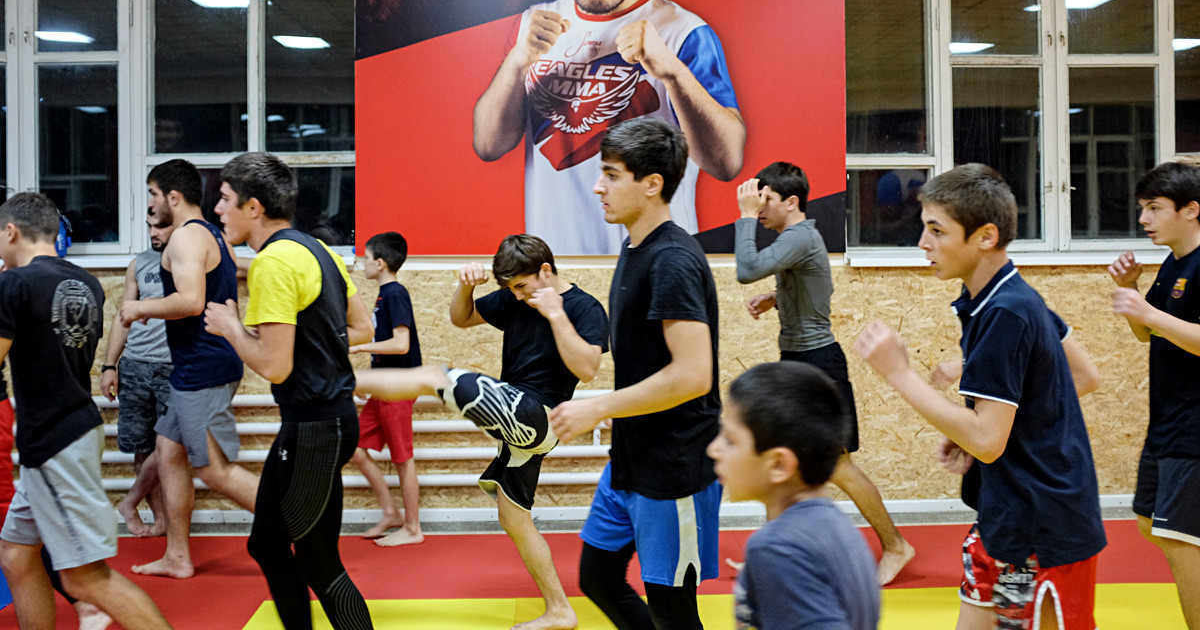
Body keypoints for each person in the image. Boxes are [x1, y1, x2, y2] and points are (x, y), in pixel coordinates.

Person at [853, 164, 1106, 630]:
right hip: (1005, 510)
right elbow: (1077, 375)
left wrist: (900, 373)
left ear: (986, 236)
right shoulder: (1002, 299)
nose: (922, 244)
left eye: (936, 231)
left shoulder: (1008, 311)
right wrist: (979, 424)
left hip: (1043, 524)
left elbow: (990, 439)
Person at [472, 0, 745, 255]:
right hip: (555, 266)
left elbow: (727, 161)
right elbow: (488, 144)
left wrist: (671, 71)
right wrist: (517, 60)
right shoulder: (534, 24)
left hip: (657, 264)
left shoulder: (683, 31)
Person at [355, 233, 609, 630]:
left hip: (536, 414)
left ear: (546, 270)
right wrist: (465, 287)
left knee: (434, 375)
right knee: (514, 519)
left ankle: (332, 383)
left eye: (523, 287)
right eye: (512, 289)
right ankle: (560, 610)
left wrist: (556, 314)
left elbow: (588, 368)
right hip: (517, 427)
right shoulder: (514, 297)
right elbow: (462, 318)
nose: (519, 296)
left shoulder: (583, 307)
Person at [550, 117, 722, 630]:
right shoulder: (635, 247)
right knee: (598, 578)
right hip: (630, 459)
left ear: (652, 184)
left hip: (674, 464)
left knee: (674, 611)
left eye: (611, 174)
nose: (598, 186)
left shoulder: (672, 259)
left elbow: (694, 376)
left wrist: (598, 405)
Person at [203, 151, 375, 630]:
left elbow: (275, 367)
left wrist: (232, 328)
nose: (218, 209)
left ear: (253, 207)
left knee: (319, 562)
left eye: (224, 199)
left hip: (316, 425)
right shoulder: (314, 249)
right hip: (320, 420)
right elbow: (362, 327)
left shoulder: (274, 263)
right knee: (267, 543)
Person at [733, 161, 915, 585]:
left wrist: (742, 219)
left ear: (791, 202)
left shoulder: (799, 236)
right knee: (783, 462)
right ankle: (774, 554)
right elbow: (815, 286)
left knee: (837, 466)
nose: (759, 209)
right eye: (756, 203)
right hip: (796, 361)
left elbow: (745, 269)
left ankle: (896, 546)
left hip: (817, 365)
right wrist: (776, 298)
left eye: (767, 201)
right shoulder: (796, 238)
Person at [0, 192, 175, 630]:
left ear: (11, 232)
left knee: (86, 579)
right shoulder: (88, 283)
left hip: (54, 438)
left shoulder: (14, 284)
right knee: (17, 555)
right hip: (68, 431)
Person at [118, 159, 258, 580]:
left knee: (214, 469)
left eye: (152, 195)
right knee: (167, 451)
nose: (150, 204)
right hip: (195, 366)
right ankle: (178, 556)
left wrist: (138, 307)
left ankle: (302, 529)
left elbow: (191, 301)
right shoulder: (210, 233)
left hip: (205, 368)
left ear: (172, 197)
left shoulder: (185, 239)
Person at [707, 360, 880, 630]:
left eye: (730, 440)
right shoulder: (839, 528)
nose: (714, 449)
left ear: (778, 464)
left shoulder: (777, 549)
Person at [1108, 159, 1200, 630]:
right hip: (1165, 422)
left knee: (1180, 538)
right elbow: (1149, 335)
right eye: (1143, 208)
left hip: (1194, 428)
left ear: (1191, 210)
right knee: (1148, 521)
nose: (1144, 219)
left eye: (1155, 208)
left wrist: (1149, 311)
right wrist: (1131, 294)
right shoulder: (1172, 263)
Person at [347, 231, 424, 546]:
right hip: (384, 386)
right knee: (356, 448)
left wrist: (359, 349)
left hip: (398, 387)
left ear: (379, 263)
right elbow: (386, 347)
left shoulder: (395, 293)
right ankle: (391, 513)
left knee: (402, 457)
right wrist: (372, 377)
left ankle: (413, 528)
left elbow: (401, 343)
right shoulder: (383, 295)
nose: (362, 264)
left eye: (365, 258)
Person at [102, 210, 175, 539]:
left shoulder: (192, 262)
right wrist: (109, 365)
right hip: (136, 365)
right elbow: (122, 318)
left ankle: (130, 501)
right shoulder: (139, 264)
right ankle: (158, 520)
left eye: (161, 226)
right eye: (150, 227)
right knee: (142, 446)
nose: (153, 233)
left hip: (175, 366)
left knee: (171, 444)